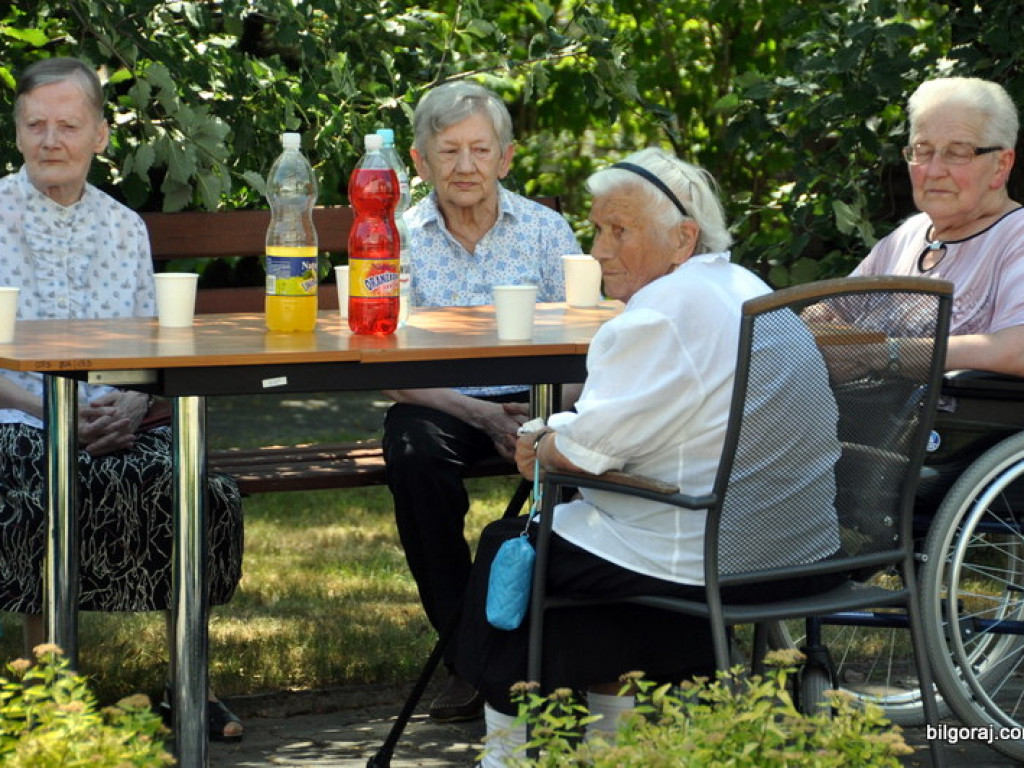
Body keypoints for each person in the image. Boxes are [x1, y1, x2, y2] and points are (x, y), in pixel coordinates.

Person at [448, 148, 844, 766]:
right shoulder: (743, 286)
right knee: (574, 550)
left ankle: (509, 754)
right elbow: (646, 423)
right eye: (598, 229)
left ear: (683, 237)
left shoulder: (663, 311)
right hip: (803, 553)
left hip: (712, 557)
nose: (599, 250)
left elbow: (586, 449)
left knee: (516, 547)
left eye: (619, 231)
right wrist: (558, 440)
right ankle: (614, 745)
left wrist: (541, 444)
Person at [0, 57, 244, 742]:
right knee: (41, 483)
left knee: (194, 489)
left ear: (100, 135)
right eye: (36, 125)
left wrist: (133, 406)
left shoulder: (122, 227)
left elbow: (150, 350)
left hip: (116, 418)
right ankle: (50, 692)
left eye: (68, 125)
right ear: (17, 134)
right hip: (17, 413)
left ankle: (188, 683)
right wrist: (55, 414)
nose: (51, 140)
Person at [380, 81, 581, 722]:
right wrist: (480, 414)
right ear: (420, 161)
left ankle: (566, 654)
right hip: (443, 403)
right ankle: (471, 659)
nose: (465, 166)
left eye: (480, 149)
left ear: (506, 157)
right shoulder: (396, 237)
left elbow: (593, 346)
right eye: (448, 151)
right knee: (411, 453)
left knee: (589, 460)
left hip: (543, 397)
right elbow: (386, 367)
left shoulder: (546, 231)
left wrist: (549, 409)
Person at [852, 76, 1024, 377]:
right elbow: (826, 313)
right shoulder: (907, 236)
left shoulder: (1016, 236)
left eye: (957, 153)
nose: (933, 171)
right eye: (923, 150)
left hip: (957, 409)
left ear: (1001, 165)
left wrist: (883, 354)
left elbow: (1017, 350)